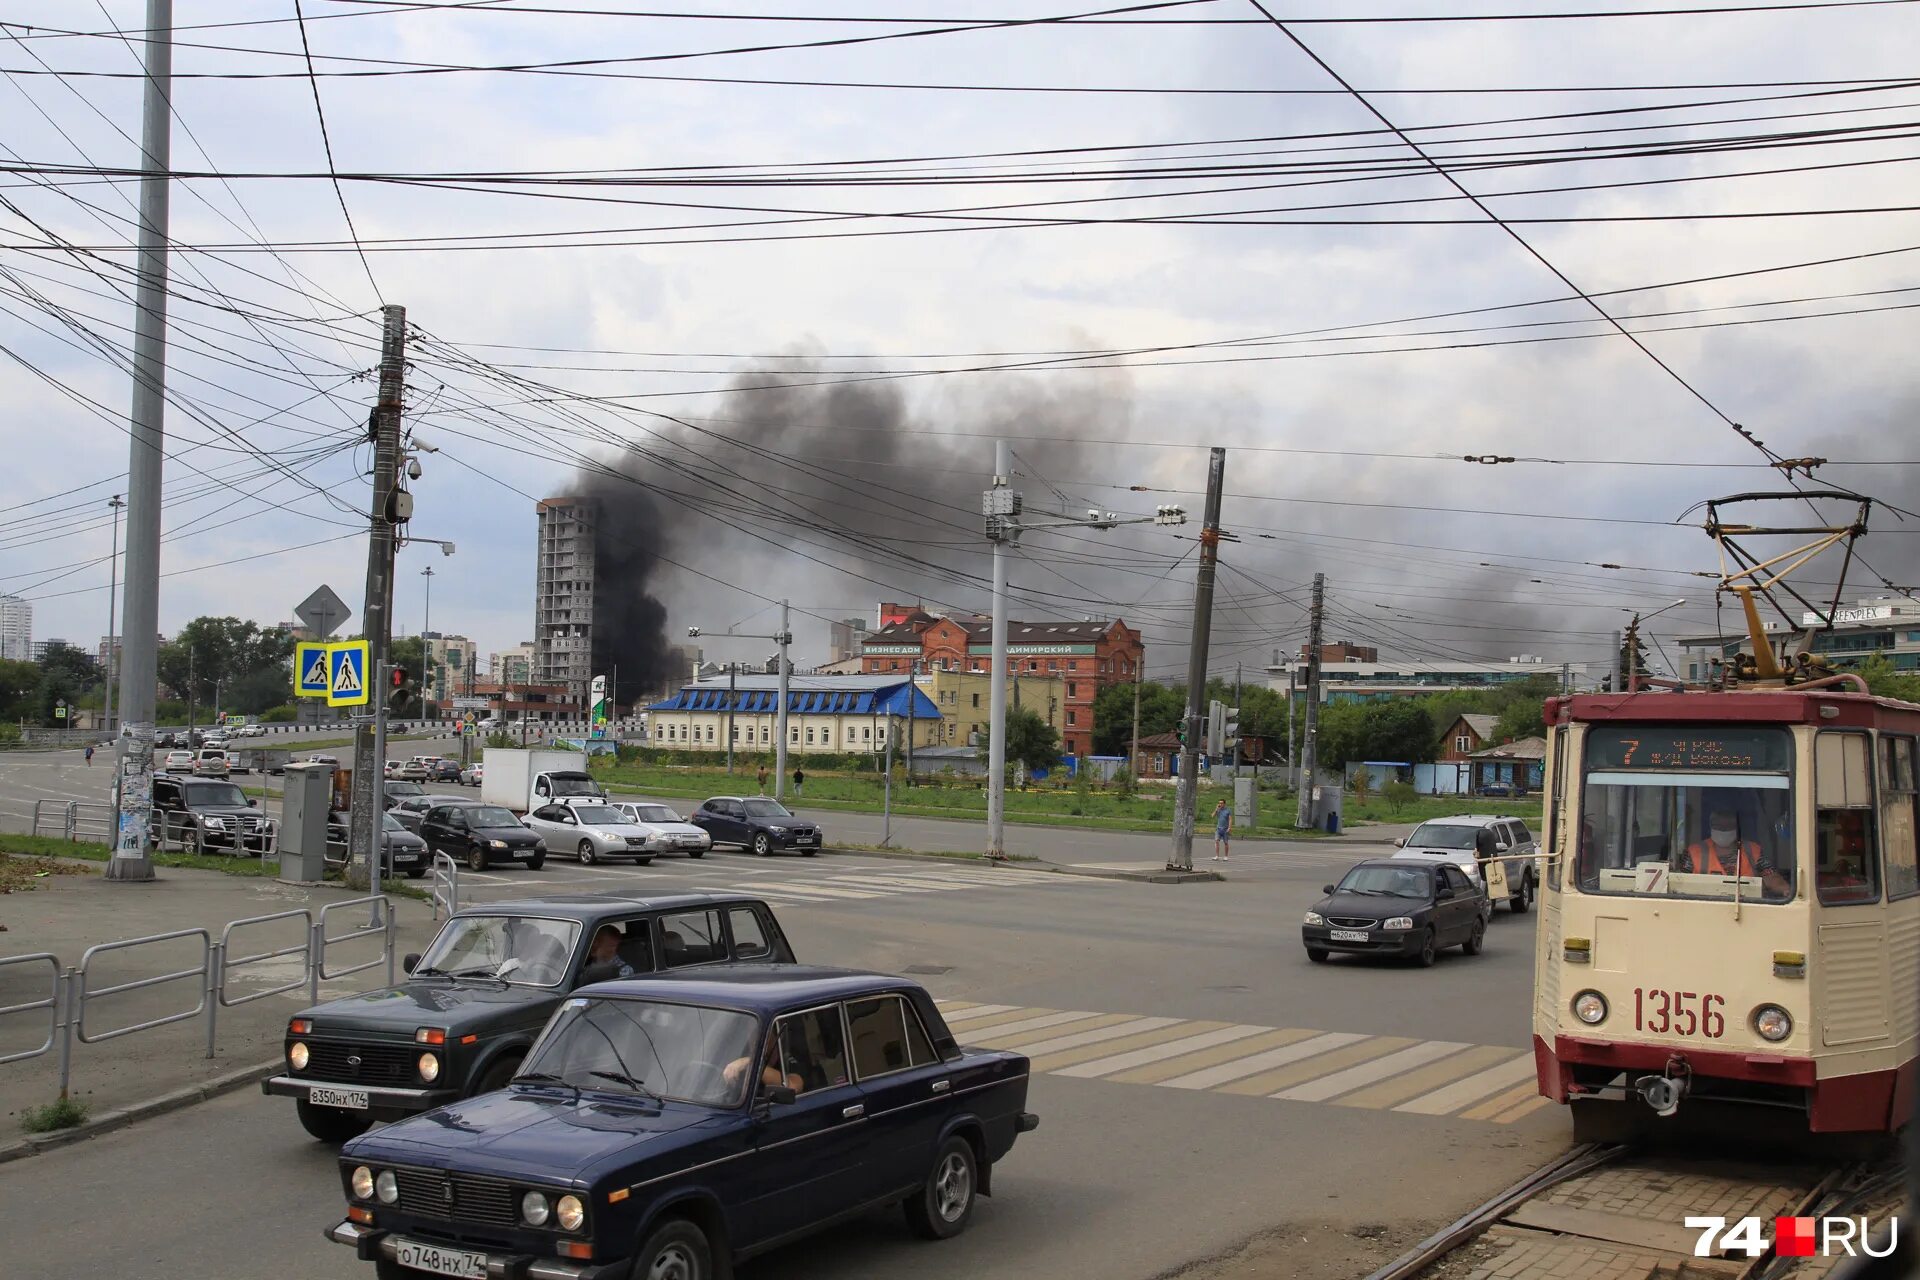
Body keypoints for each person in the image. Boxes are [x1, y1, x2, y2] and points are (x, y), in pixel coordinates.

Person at [1678, 808, 1790, 898]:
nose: (1723, 830)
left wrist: (1786, 890)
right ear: (1711, 827)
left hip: (1747, 909)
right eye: (1718, 826)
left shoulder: (1752, 850)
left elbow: (1771, 877)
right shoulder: (1694, 852)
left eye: (1728, 827)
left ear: (1737, 828)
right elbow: (1679, 884)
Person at [723, 1027, 804, 1099]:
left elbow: (794, 1087)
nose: (753, 1040)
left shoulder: (787, 1058)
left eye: (759, 1034)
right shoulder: (739, 1060)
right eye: (750, 1035)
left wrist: (752, 1063)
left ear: (775, 1036)